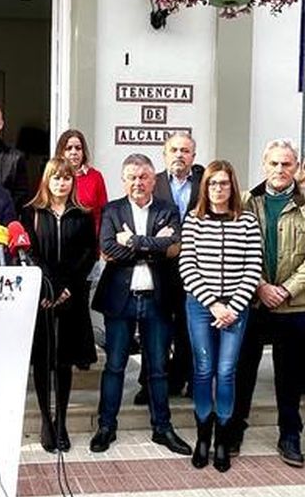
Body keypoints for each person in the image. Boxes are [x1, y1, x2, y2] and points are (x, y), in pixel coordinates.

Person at [227, 140, 305, 466]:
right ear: (264, 165)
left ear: (297, 167)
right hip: (253, 301)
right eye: (274, 164)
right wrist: (259, 286)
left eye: (286, 164)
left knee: (290, 376)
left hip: (295, 304)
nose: (279, 170)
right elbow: (234, 247)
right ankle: (234, 430)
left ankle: (290, 436)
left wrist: (286, 289)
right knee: (242, 370)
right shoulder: (246, 200)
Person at [90, 154, 190, 455]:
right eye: (132, 177)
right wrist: (152, 245)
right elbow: (107, 247)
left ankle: (162, 427)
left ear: (153, 180)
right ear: (124, 180)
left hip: (157, 299)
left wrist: (132, 241)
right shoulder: (112, 209)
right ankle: (106, 426)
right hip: (120, 300)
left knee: (158, 368)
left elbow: (174, 244)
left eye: (143, 177)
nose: (138, 183)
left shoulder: (168, 209)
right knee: (115, 365)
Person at [177, 159, 261, 471]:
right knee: (203, 369)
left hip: (235, 309)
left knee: (226, 372)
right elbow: (187, 266)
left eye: (224, 183)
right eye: (213, 183)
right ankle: (202, 437)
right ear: (205, 187)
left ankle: (223, 439)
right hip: (201, 306)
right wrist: (213, 304)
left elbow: (254, 267)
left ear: (232, 186)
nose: (218, 189)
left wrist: (233, 306)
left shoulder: (247, 221)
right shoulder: (194, 221)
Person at [24, 157, 98, 453]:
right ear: (46, 180)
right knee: (43, 361)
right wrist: (48, 286)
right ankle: (45, 419)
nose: (61, 183)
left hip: (71, 296)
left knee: (64, 361)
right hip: (42, 296)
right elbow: (29, 253)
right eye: (56, 177)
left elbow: (88, 254)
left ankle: (62, 419)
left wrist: (66, 287)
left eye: (66, 178)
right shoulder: (31, 213)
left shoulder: (82, 214)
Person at [146, 131, 203, 402]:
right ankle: (151, 385)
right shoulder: (152, 183)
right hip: (158, 267)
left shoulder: (205, 184)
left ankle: (186, 380)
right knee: (155, 327)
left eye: (185, 150)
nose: (179, 155)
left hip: (196, 267)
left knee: (188, 327)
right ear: (164, 154)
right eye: (174, 150)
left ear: (193, 155)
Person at [53, 129, 108, 239]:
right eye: (69, 148)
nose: (74, 152)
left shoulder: (95, 176)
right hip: (58, 238)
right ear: (61, 151)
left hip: (90, 239)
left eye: (78, 148)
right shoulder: (52, 177)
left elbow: (104, 212)